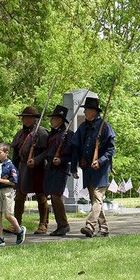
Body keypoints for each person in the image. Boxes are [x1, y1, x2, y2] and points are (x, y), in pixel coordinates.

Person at [71, 93, 115, 237]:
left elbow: (110, 149)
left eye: (87, 110)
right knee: (96, 200)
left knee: (97, 198)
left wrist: (100, 161)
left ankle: (90, 226)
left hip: (100, 170)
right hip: (87, 169)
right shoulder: (83, 127)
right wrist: (74, 167)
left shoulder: (105, 127)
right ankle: (104, 229)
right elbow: (75, 147)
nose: (84, 112)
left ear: (94, 111)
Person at [10, 105, 50, 235]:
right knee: (19, 196)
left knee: (40, 195)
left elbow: (47, 151)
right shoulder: (20, 134)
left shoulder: (42, 132)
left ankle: (43, 224)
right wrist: (12, 168)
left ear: (34, 118)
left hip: (37, 168)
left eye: (27, 117)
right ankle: (16, 223)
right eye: (24, 117)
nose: (25, 120)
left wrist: (37, 160)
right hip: (22, 167)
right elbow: (16, 152)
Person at [41, 105, 75, 237]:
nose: (52, 120)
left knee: (56, 196)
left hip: (60, 168)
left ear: (61, 120)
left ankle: (63, 225)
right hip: (50, 167)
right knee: (53, 197)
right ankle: (60, 225)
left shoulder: (67, 135)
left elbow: (71, 154)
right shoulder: (52, 134)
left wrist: (61, 160)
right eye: (52, 118)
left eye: (55, 118)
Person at [0, 143, 26, 247]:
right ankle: (0, 238)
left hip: (7, 191)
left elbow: (13, 182)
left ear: (6, 153)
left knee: (8, 215)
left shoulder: (10, 166)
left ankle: (19, 230)